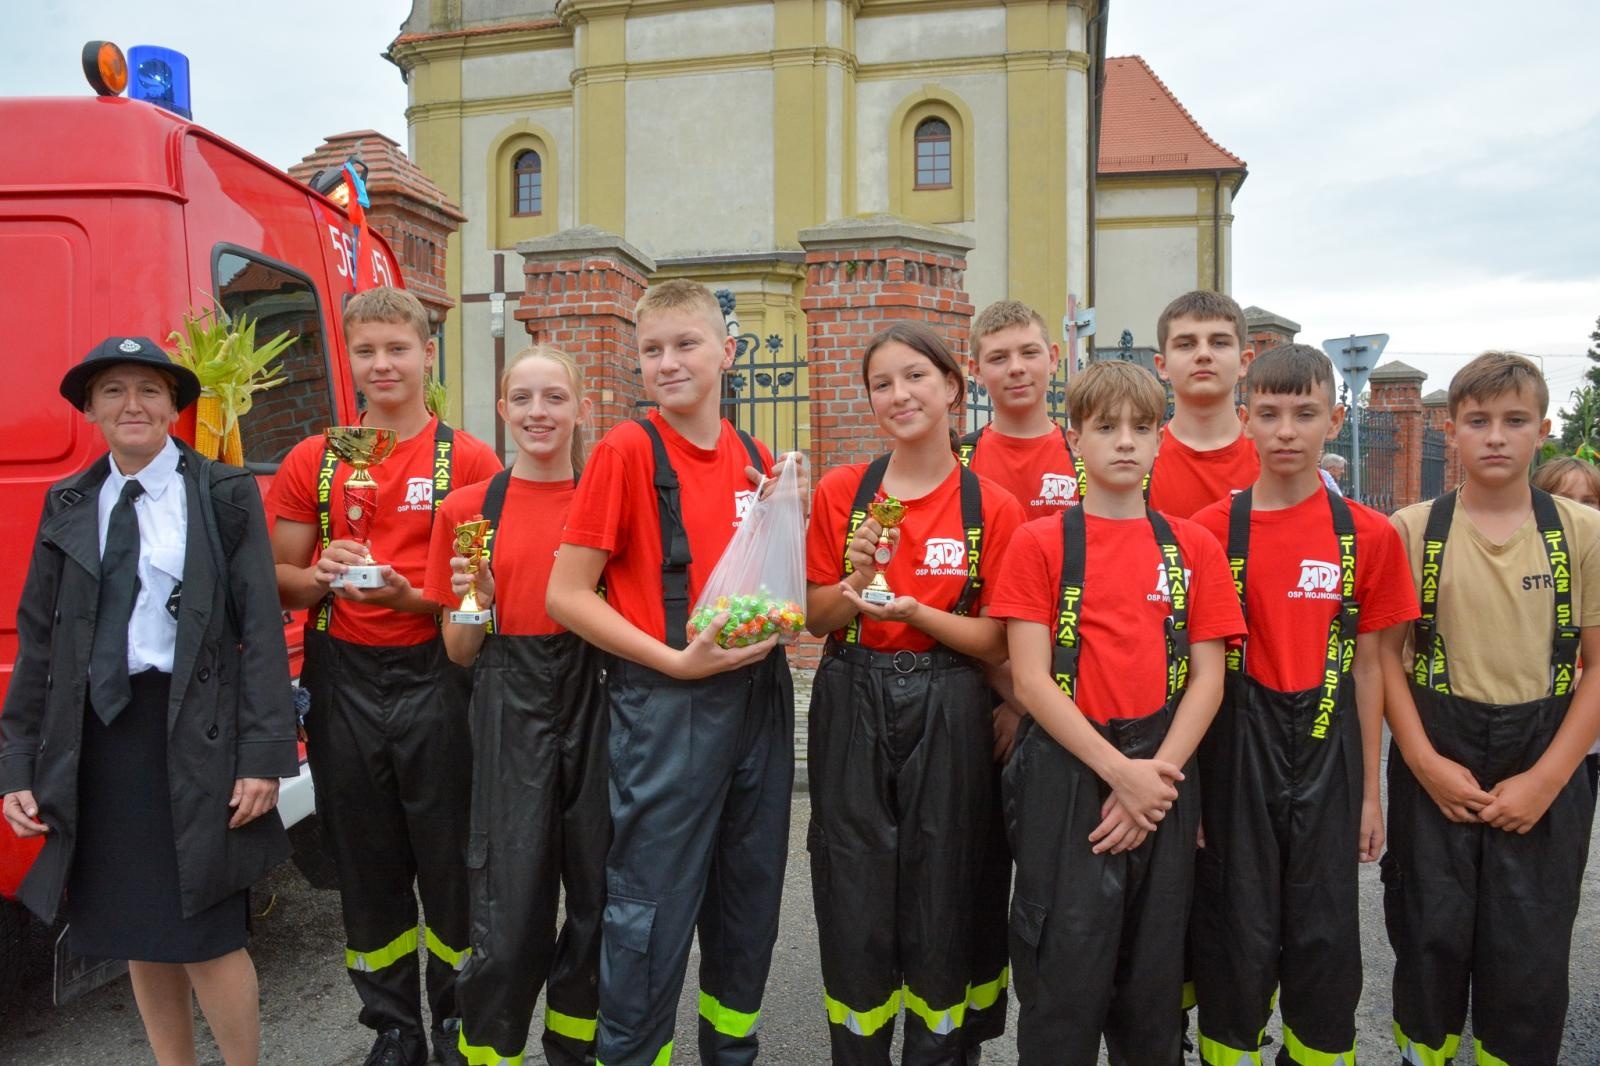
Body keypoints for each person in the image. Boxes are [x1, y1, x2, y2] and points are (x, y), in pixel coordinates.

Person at [1, 338, 298, 1066]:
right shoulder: (68, 501)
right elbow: (39, 643)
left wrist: (263, 757)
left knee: (206, 931)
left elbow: (260, 628)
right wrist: (15, 762)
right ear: (90, 408)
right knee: (139, 928)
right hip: (102, 742)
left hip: (194, 737)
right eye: (113, 391)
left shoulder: (223, 494)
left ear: (174, 406)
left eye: (149, 390)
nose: (132, 405)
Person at [546, 279, 794, 1066]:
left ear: (727, 350)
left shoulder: (757, 457)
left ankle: (731, 1053)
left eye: (685, 344)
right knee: (649, 909)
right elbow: (565, 594)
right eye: (651, 351)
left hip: (760, 699)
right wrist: (675, 662)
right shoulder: (627, 450)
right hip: (669, 705)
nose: (668, 362)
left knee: (747, 898)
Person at [267, 288, 503, 1066]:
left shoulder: (468, 459)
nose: (382, 365)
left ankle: (458, 1022)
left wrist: (414, 593)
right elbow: (280, 578)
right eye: (366, 351)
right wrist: (322, 573)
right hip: (343, 680)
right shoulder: (317, 456)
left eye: (397, 348)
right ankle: (393, 1030)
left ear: (427, 352)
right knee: (365, 862)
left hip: (439, 673)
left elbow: (484, 589)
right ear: (350, 360)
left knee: (449, 858)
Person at [988, 359, 1242, 1065]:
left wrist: (1152, 780)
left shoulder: (1193, 547)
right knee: (1062, 966)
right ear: (1075, 440)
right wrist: (1115, 774)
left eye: (1141, 427)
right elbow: (1034, 683)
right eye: (1106, 427)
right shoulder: (1040, 543)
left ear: (1161, 440)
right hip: (1068, 771)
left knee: (1152, 977)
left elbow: (1209, 679)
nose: (1124, 442)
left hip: (1163, 775)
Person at [1187, 344, 1418, 1066]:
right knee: (1236, 926)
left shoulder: (1370, 536)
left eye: (1306, 413)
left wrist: (1371, 796)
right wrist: (1191, 792)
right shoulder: (1204, 532)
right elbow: (1190, 673)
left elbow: (1376, 667)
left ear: (1334, 419)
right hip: (1232, 752)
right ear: (1245, 419)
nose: (1287, 430)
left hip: (1331, 749)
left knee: (1324, 931)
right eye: (1272, 414)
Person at [804, 321, 1024, 1065]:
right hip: (852, 691)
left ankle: (943, 1051)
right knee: (854, 884)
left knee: (947, 883)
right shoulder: (845, 492)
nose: (899, 394)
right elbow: (814, 616)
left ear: (954, 387)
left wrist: (920, 614)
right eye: (882, 384)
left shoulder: (990, 506)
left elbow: (997, 639)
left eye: (915, 377)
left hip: (952, 698)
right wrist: (858, 579)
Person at [1383, 352, 1600, 1066]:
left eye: (1514, 421)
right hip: (1437, 750)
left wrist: (1547, 780)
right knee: (1427, 931)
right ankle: (1427, 1050)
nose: (1496, 437)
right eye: (1478, 421)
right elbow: (1385, 657)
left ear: (1542, 429)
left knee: (1530, 945)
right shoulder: (1413, 530)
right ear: (1452, 429)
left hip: (1547, 750)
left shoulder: (1581, 532)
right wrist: (1421, 761)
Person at [424, 346, 608, 1066]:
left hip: (597, 698)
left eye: (555, 398)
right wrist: (477, 601)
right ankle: (490, 1052)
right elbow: (459, 651)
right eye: (524, 399)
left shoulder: (605, 497)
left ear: (579, 410)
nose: (539, 412)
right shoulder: (468, 511)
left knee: (598, 895)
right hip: (508, 699)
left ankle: (574, 1050)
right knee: (509, 902)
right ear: (502, 411)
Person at [955, 299, 1078, 1054]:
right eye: (998, 358)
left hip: (1070, 708)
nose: (1016, 369)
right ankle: (966, 1032)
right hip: (978, 700)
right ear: (975, 371)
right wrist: (1009, 692)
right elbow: (955, 593)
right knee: (969, 882)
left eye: (1028, 353)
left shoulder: (1087, 458)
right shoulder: (962, 460)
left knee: (1058, 893)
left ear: (1054, 358)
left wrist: (1038, 704)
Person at [1148, 290, 1259, 519]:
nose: (1203, 354)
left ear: (1244, 362)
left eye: (1219, 343)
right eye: (1186, 344)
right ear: (1162, 366)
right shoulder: (1138, 459)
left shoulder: (1272, 458)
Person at [1532, 456, 1600, 804]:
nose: (1578, 512)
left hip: (1581, 738)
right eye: (1562, 499)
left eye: (1589, 501)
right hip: (1526, 727)